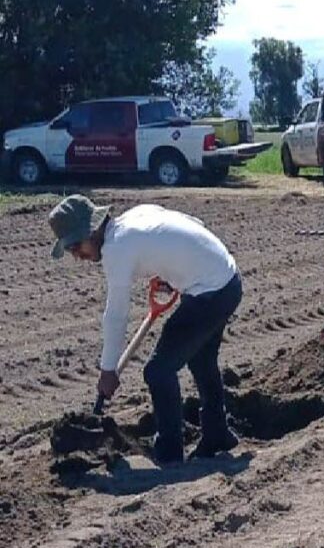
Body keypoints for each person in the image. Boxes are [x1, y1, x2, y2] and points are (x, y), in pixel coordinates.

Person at [48, 195, 243, 464]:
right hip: (227, 280)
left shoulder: (116, 249)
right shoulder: (134, 217)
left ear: (91, 231)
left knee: (158, 371)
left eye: (75, 246)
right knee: (201, 360)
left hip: (210, 292)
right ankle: (217, 434)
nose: (76, 256)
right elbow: (190, 226)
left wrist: (108, 370)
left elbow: (116, 315)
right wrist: (174, 274)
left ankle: (169, 454)